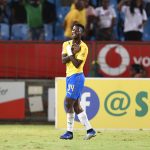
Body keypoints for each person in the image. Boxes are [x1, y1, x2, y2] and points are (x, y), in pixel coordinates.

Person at [60, 23, 96, 140]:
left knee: (67, 102)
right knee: (76, 106)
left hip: (77, 76)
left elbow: (76, 64)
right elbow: (63, 60)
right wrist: (72, 53)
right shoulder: (66, 44)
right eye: (73, 30)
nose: (73, 31)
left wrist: (71, 53)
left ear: (82, 33)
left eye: (76, 30)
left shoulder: (84, 47)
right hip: (69, 77)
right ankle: (90, 130)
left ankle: (69, 132)